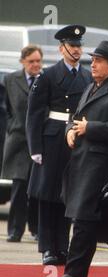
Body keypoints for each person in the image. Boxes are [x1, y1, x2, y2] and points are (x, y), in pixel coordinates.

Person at [55, 41, 108, 277]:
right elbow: (75, 118)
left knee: (83, 218)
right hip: (81, 160)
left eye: (99, 60)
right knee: (102, 222)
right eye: (93, 59)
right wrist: (70, 130)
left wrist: (90, 128)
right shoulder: (91, 87)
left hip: (100, 163)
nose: (93, 64)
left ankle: (74, 273)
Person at [26, 25, 92, 266]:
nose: (76, 50)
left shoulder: (86, 76)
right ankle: (47, 247)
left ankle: (62, 246)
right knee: (47, 194)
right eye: (72, 46)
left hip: (74, 136)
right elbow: (34, 114)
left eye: (79, 46)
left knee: (67, 195)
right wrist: (35, 148)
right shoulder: (48, 75)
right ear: (61, 48)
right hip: (53, 138)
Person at [2, 45, 43, 243]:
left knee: (36, 187)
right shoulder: (10, 80)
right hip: (18, 141)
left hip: (39, 141)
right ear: (22, 62)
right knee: (19, 186)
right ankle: (15, 230)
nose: (35, 65)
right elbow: (7, 108)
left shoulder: (46, 80)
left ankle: (35, 229)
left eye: (38, 61)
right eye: (31, 61)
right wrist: (13, 125)